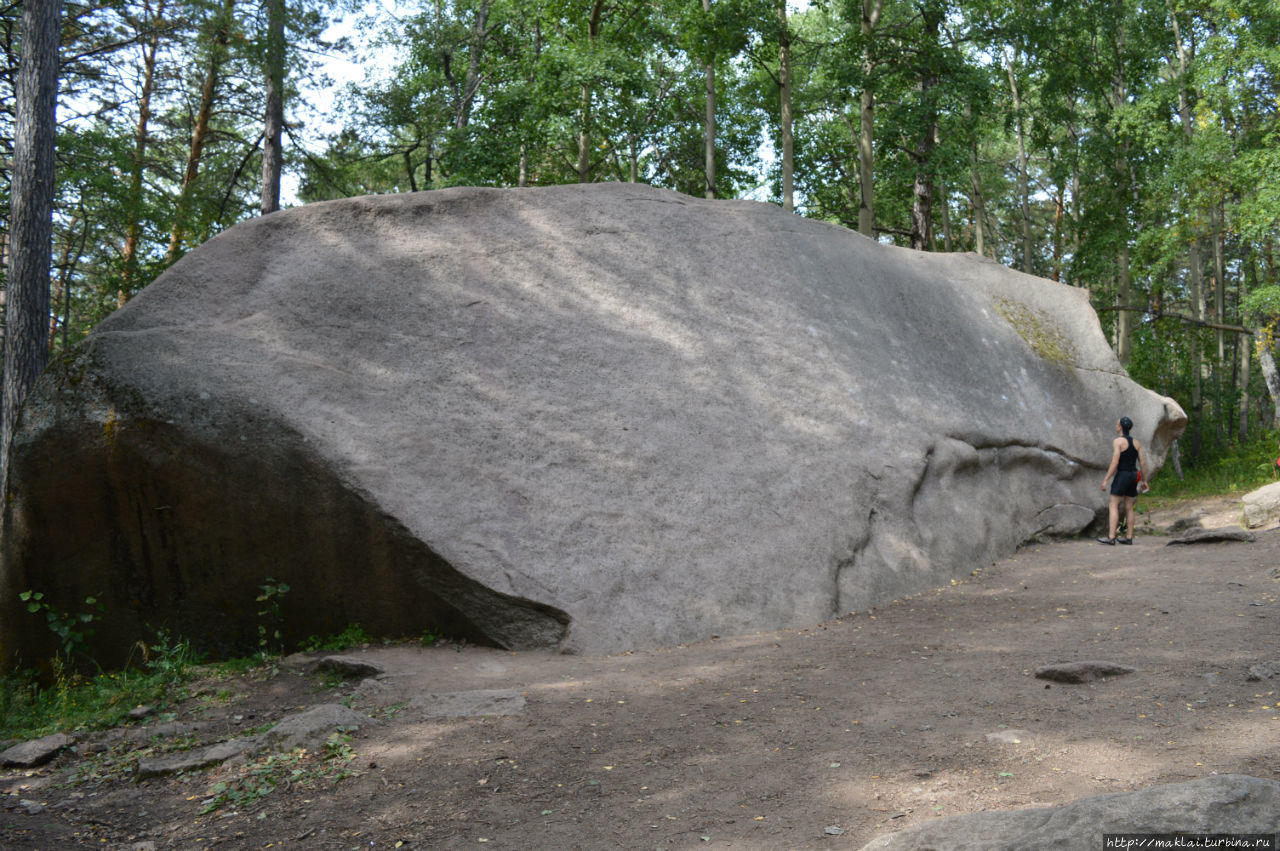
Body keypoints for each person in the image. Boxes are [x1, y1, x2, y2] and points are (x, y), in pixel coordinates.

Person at [1099, 416, 1150, 545]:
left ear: (1120, 427)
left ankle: (1111, 537)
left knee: (1113, 505)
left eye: (1117, 424)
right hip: (1134, 475)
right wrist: (1144, 480)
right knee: (1129, 507)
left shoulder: (1118, 442)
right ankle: (1129, 537)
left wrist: (1106, 479)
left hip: (1123, 475)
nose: (1116, 426)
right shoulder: (1136, 443)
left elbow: (1115, 462)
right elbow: (1143, 463)